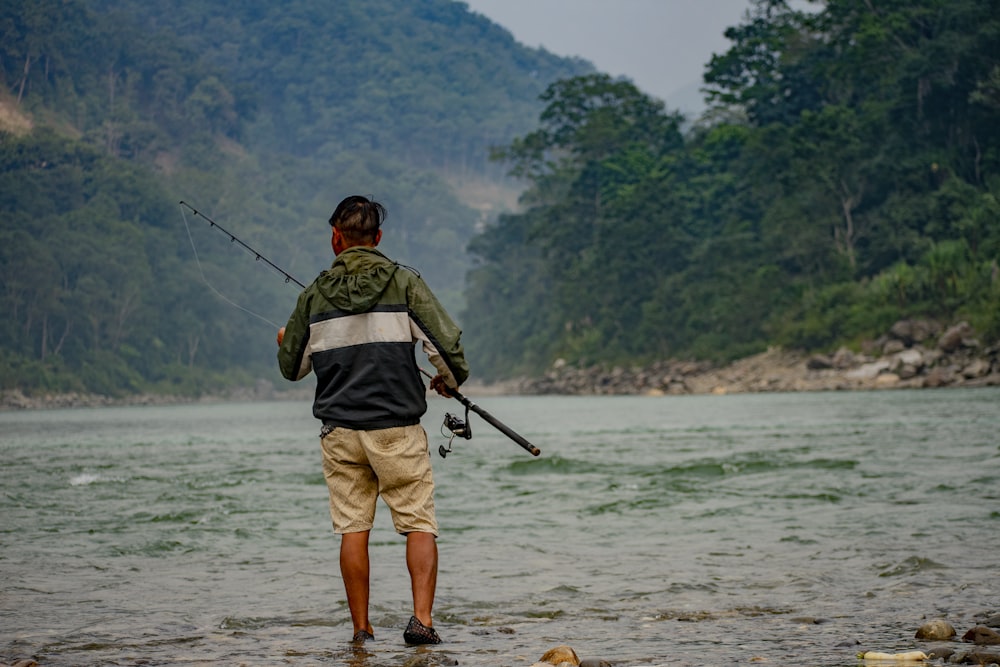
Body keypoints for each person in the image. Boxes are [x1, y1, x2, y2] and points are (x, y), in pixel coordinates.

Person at [276, 194, 469, 646]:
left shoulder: (313, 295)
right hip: (397, 428)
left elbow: (292, 368)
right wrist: (447, 380)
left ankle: (362, 631)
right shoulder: (405, 284)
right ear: (378, 238)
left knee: (353, 528)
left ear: (335, 240)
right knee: (418, 522)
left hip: (339, 432)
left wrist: (285, 340)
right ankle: (421, 622)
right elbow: (448, 348)